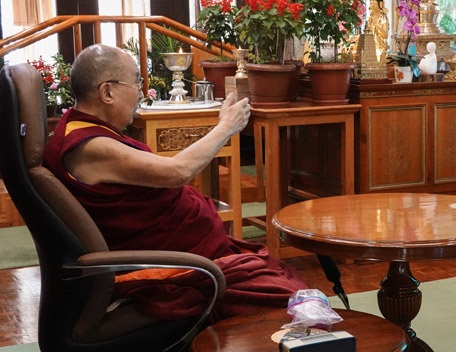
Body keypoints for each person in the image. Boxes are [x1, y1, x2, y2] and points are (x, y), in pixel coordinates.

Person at [43, 44, 306, 320]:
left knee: (279, 280)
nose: (141, 93)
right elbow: (178, 171)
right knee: (287, 298)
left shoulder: (84, 131)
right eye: (136, 82)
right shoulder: (90, 146)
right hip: (166, 268)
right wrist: (226, 127)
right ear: (107, 92)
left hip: (189, 253)